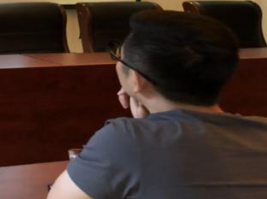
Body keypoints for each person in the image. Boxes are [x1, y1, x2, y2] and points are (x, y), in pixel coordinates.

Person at [47, 10, 267, 199]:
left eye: (118, 57)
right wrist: (148, 127)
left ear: (136, 79)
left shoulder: (124, 140)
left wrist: (143, 130)